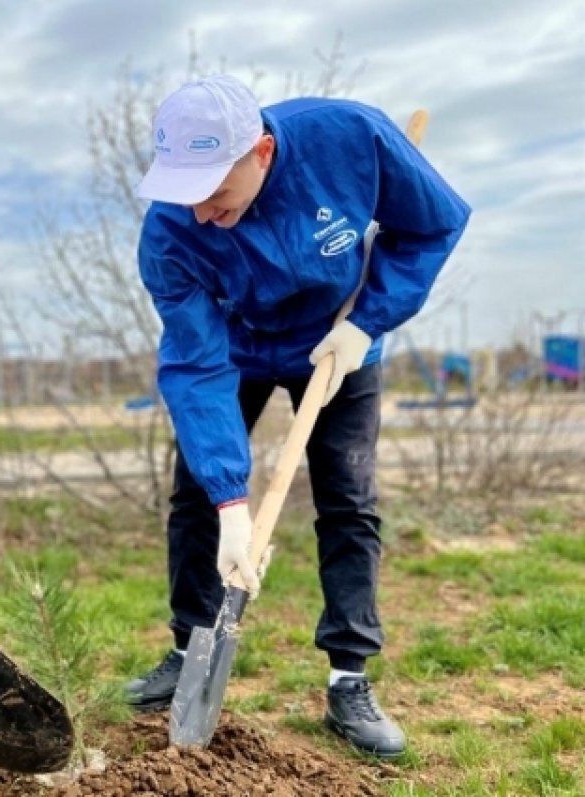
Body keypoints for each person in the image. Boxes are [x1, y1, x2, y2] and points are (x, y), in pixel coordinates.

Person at [124, 74, 469, 758]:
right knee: (196, 492)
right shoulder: (170, 231)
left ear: (258, 153)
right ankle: (189, 644)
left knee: (347, 500)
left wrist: (369, 322)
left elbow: (432, 224)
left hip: (340, 340)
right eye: (184, 195)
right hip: (238, 346)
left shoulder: (350, 138)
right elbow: (194, 365)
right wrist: (231, 500)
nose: (198, 214)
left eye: (213, 194)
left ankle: (349, 678)